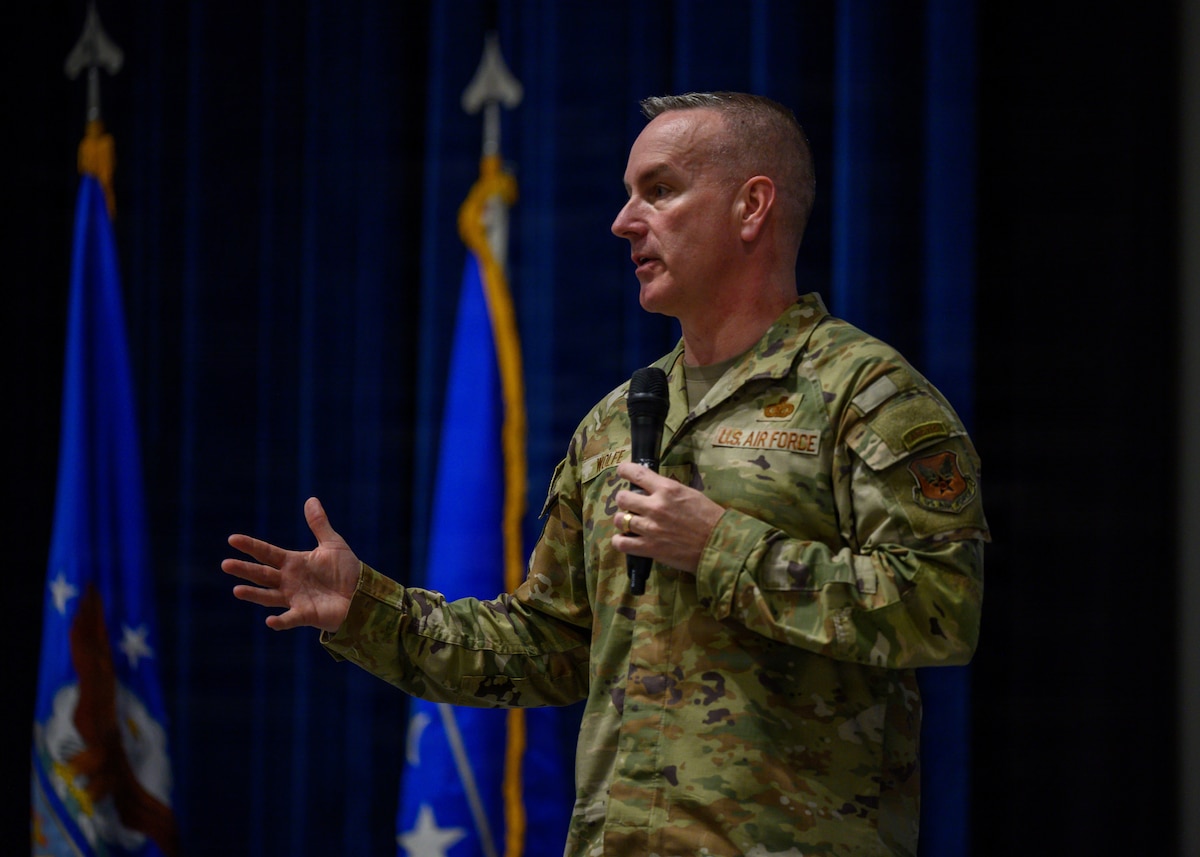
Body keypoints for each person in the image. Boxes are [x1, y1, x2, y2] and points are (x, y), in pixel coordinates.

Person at [222, 91, 988, 856]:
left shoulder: (864, 396)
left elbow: (943, 607)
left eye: (658, 191)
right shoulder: (615, 423)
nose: (624, 222)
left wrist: (719, 544)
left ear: (752, 206)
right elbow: (547, 646)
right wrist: (368, 610)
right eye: (628, 196)